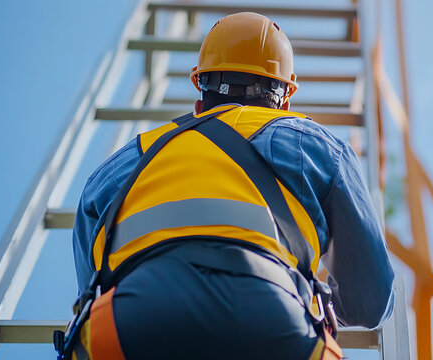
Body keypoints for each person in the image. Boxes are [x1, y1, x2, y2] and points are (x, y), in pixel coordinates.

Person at [65, 11, 394, 360]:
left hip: (127, 325)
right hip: (271, 320)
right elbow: (369, 301)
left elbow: (93, 285)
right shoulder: (313, 144)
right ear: (283, 100)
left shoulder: (125, 162)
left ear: (199, 98)